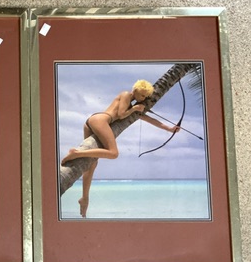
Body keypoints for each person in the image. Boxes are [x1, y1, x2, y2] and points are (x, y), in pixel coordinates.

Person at [60, 80, 180, 217]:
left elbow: (150, 120)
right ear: (135, 91)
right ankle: (77, 153)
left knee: (92, 163)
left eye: (145, 97)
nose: (142, 99)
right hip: (100, 120)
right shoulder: (126, 95)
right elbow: (122, 114)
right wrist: (135, 109)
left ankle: (84, 198)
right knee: (113, 153)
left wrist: (170, 129)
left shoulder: (132, 104)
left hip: (93, 121)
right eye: (141, 95)